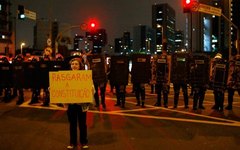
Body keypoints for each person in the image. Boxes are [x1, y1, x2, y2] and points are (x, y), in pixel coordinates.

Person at [66, 57, 90, 149]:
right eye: (73, 64)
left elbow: (90, 87)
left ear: (80, 66)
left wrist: (91, 88)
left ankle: (84, 142)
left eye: (76, 64)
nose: (74, 66)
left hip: (81, 104)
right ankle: (73, 142)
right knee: (72, 124)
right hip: (71, 104)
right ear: (70, 66)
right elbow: (61, 87)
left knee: (82, 124)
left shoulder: (85, 76)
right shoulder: (66, 76)